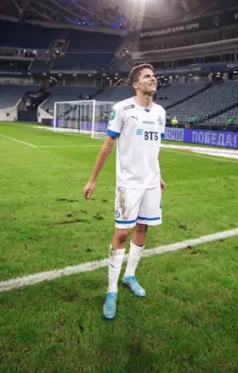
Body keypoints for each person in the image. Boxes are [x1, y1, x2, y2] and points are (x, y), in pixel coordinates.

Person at [83, 63, 167, 320]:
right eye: (147, 76)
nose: (153, 79)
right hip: (128, 184)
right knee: (121, 234)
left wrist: (160, 176)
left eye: (154, 76)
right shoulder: (122, 109)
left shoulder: (161, 112)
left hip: (151, 183)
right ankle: (111, 290)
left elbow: (155, 148)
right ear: (136, 84)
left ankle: (129, 275)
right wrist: (93, 180)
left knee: (143, 228)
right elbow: (107, 146)